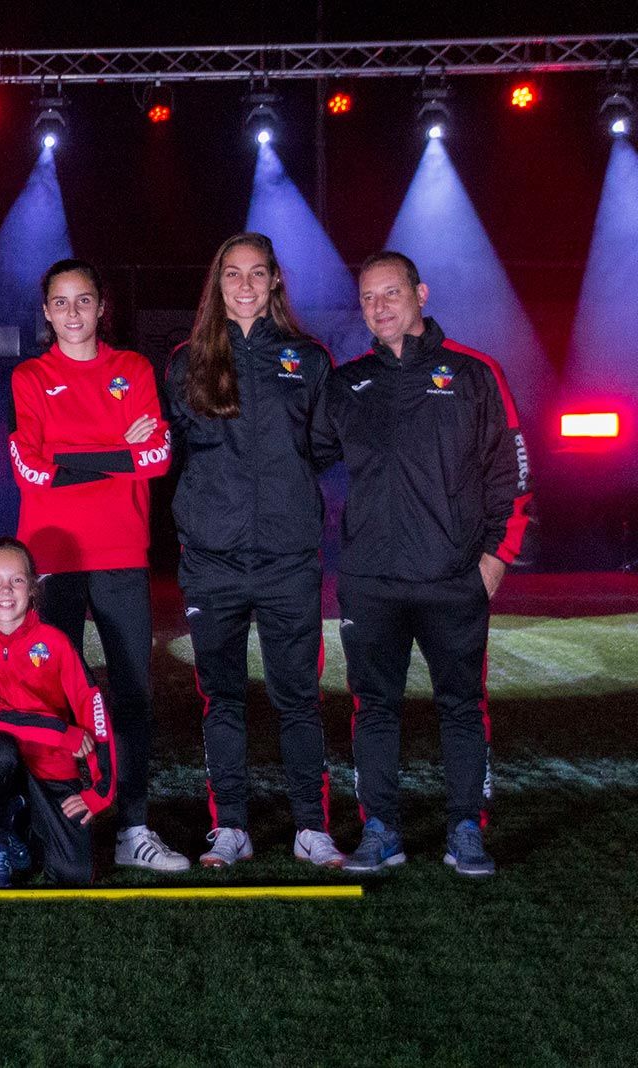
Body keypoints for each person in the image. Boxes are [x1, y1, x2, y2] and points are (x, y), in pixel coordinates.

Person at [312, 251, 532, 878]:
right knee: (373, 708)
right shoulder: (347, 384)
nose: (379, 307)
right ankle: (381, 830)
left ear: (420, 294)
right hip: (370, 582)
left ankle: (466, 828)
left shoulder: (472, 374)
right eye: (367, 298)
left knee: (461, 706)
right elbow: (296, 456)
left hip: (452, 579)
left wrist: (493, 563)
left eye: (391, 293)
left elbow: (511, 475)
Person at [164, 233, 344, 869]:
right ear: (218, 284)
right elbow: (177, 452)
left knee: (298, 697)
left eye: (257, 274)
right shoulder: (187, 362)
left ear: (274, 283)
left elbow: (322, 449)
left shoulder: (308, 359)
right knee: (224, 698)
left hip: (290, 560)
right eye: (232, 274)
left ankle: (310, 827)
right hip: (212, 562)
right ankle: (231, 827)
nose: (244, 285)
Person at [8, 258, 186, 872]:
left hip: (120, 553)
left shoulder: (132, 369)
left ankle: (134, 826)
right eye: (61, 302)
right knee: (50, 695)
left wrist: (72, 457)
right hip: (51, 554)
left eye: (84, 300)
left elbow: (159, 455)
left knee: (131, 691)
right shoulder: (30, 376)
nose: (74, 313)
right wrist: (120, 451)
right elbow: (29, 467)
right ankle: (53, 826)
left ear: (101, 306)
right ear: (47, 311)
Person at [0, 537, 117, 887]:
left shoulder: (55, 640)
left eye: (17, 580)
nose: (6, 590)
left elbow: (94, 707)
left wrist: (100, 789)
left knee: (76, 875)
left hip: (51, 763)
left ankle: (21, 822)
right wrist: (60, 732)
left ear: (32, 586)